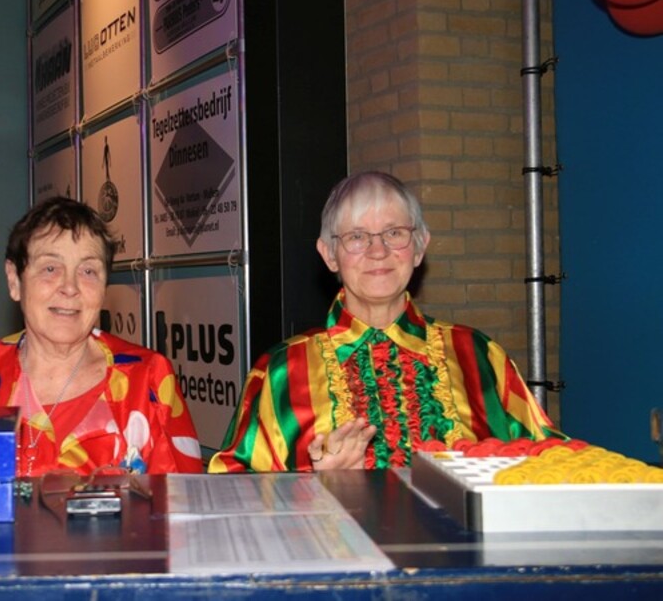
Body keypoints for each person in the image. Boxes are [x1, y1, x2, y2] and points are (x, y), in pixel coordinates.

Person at [209, 171, 559, 473]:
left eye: (394, 233)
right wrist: (315, 483)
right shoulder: (280, 372)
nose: (378, 251)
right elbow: (232, 495)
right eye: (356, 237)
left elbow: (551, 463)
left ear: (419, 247)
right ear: (329, 255)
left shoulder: (481, 356)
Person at [0, 196, 202, 477]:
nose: (70, 287)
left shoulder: (147, 382)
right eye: (50, 268)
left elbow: (184, 502)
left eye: (88, 271)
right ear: (14, 280)